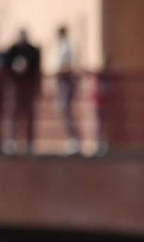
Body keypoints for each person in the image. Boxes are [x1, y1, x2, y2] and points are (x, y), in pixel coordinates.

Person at [2, 29, 41, 154]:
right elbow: (5, 65)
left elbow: (36, 67)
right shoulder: (12, 50)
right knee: (14, 113)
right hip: (15, 88)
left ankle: (29, 142)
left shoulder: (32, 51)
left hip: (28, 88)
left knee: (29, 114)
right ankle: (12, 140)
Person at [53, 25, 80, 154]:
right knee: (62, 109)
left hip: (67, 80)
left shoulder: (69, 45)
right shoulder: (59, 46)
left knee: (65, 109)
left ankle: (75, 139)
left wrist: (64, 70)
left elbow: (72, 63)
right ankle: (72, 138)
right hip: (60, 81)